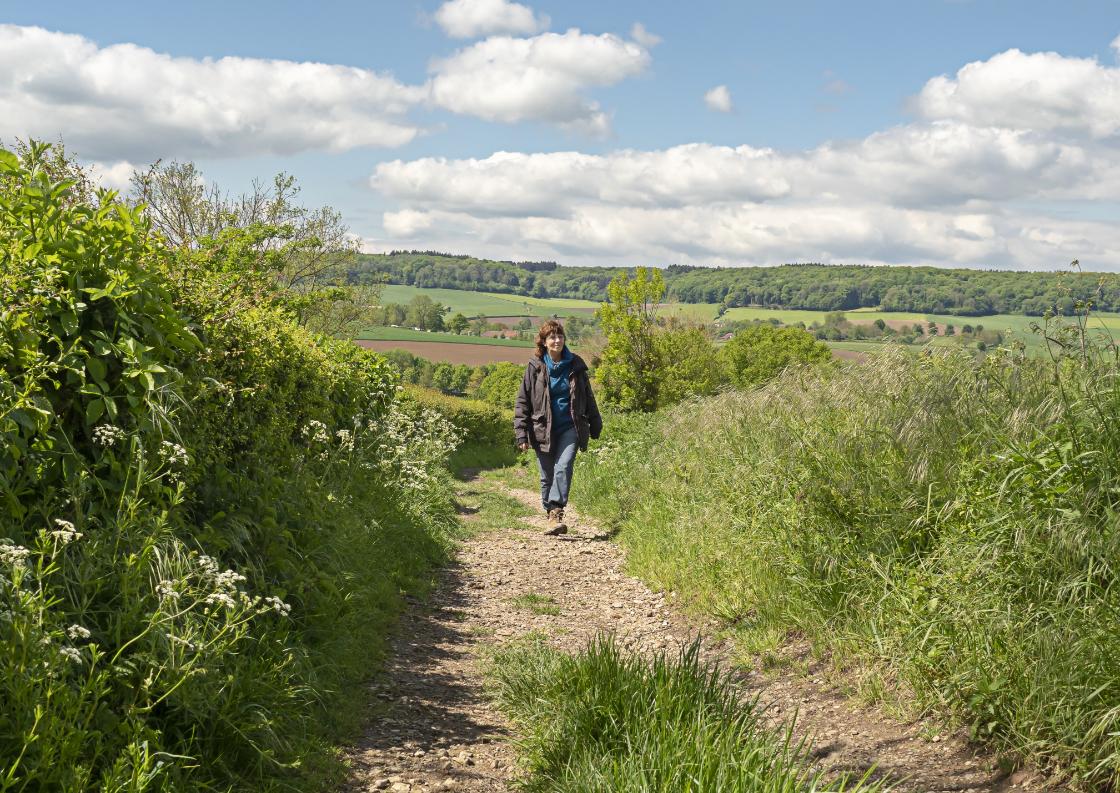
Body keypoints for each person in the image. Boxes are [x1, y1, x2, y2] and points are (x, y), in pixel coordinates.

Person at [514, 320, 603, 536]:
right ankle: (550, 514)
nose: (557, 340)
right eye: (552, 337)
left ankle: (556, 510)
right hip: (542, 429)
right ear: (544, 342)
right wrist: (521, 433)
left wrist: (595, 422)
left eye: (560, 336)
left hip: (570, 427)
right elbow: (523, 401)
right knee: (547, 476)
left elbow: (587, 396)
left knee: (563, 466)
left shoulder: (576, 365)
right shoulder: (535, 367)